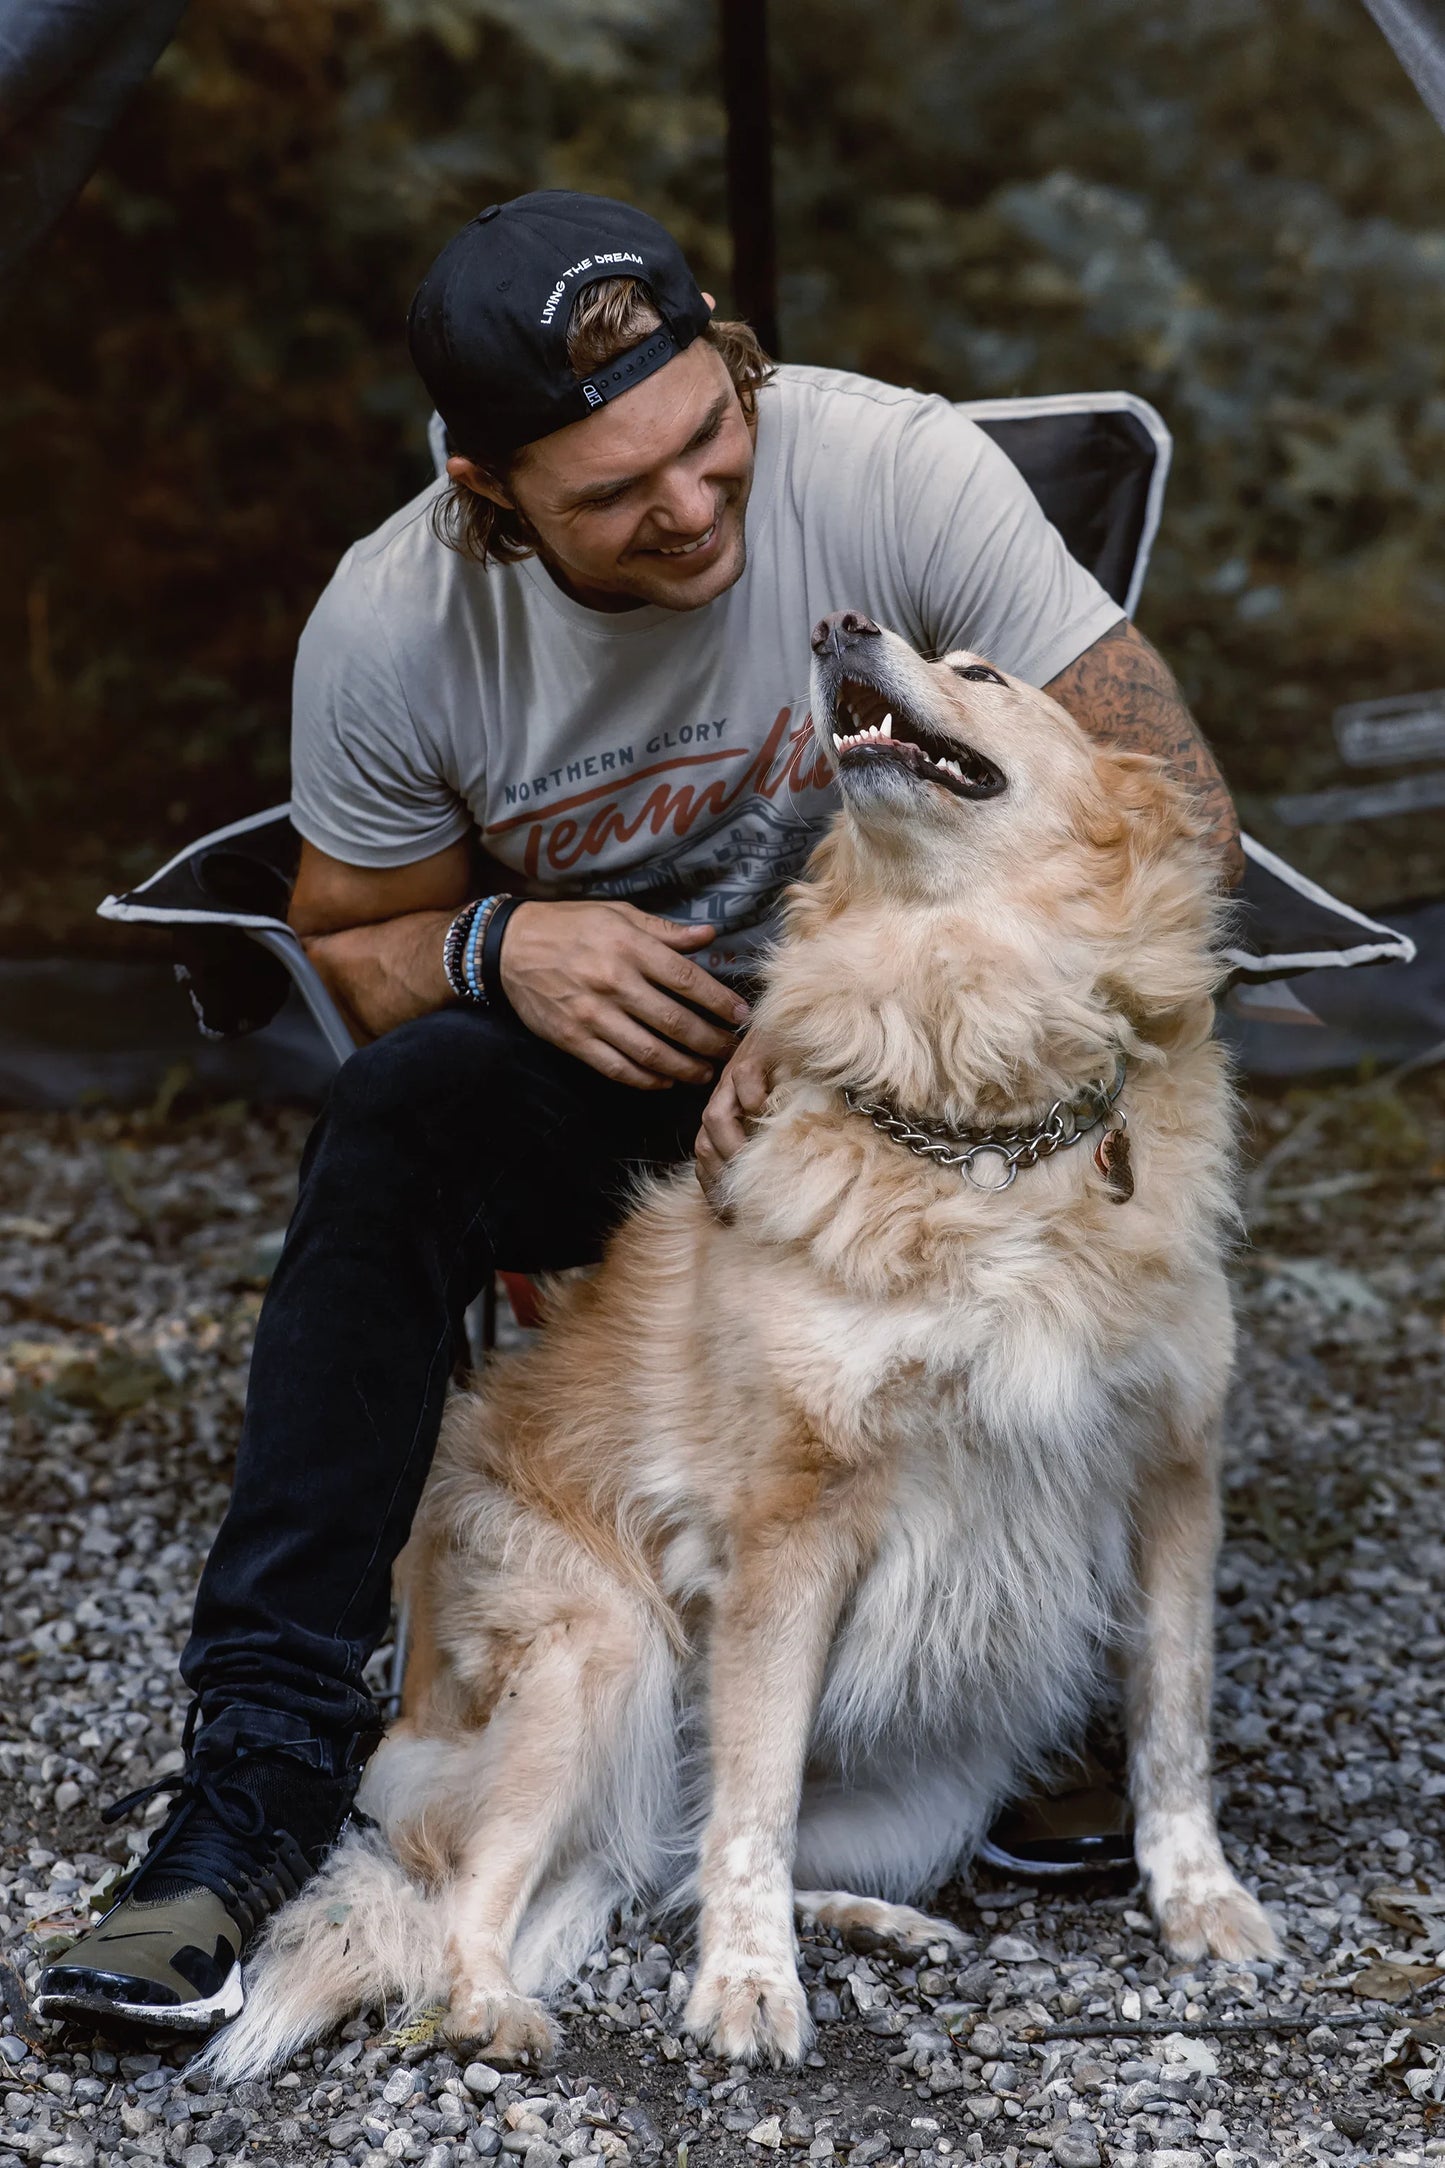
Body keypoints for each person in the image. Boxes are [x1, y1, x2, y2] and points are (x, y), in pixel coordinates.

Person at [37, 190, 1240, 2038]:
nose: (689, 508)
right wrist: (500, 942)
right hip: (606, 1070)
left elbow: (1168, 797)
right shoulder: (391, 623)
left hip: (896, 1046)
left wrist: (818, 1019)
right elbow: (348, 942)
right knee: (401, 1116)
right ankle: (257, 1778)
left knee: (1088, 1189)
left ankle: (1002, 1694)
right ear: (485, 488)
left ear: (732, 366)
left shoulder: (896, 470)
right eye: (612, 494)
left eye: (705, 440)